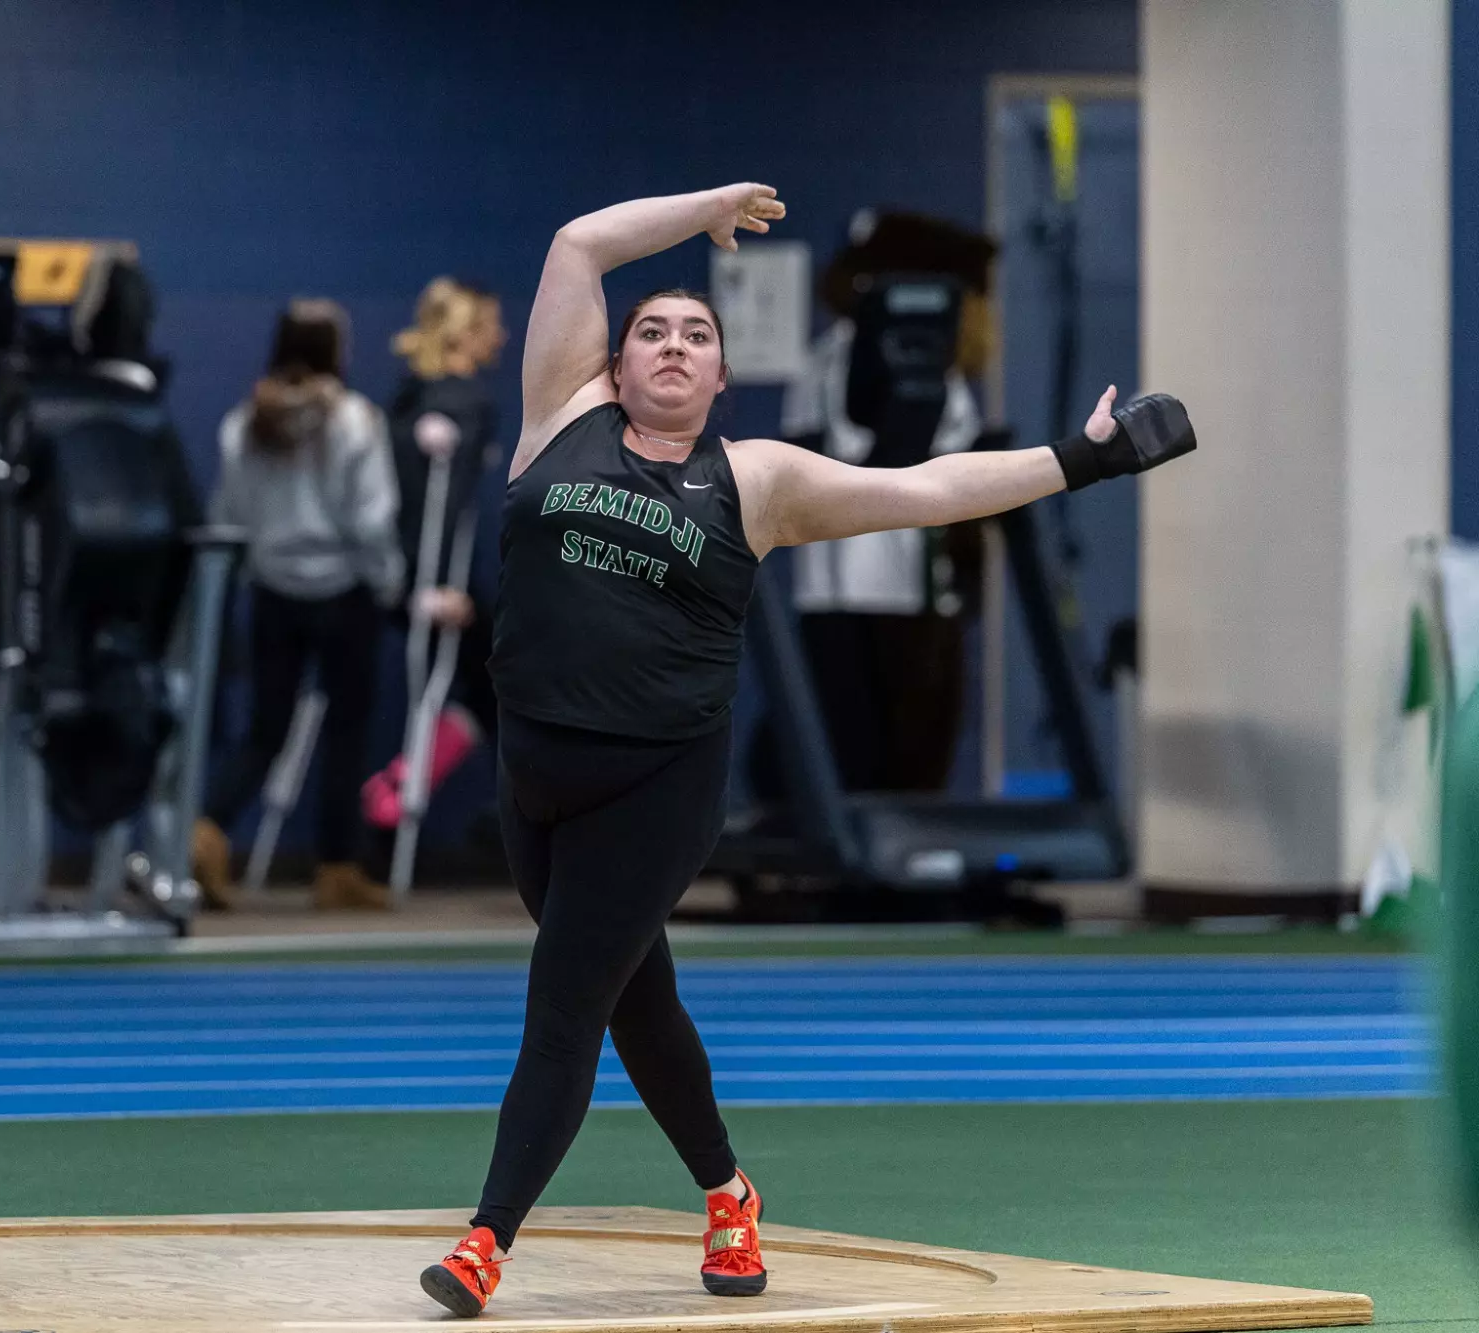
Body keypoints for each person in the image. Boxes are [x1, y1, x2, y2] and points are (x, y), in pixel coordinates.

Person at [418, 184, 1194, 1317]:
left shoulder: (756, 480)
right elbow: (577, 240)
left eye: (696, 336)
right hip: (534, 770)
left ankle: (486, 1239)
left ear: (721, 378)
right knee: (637, 1005)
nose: (673, 346)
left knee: (564, 1001)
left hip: (656, 780)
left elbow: (925, 489)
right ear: (613, 364)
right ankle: (729, 1193)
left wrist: (1079, 461)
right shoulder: (555, 417)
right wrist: (705, 213)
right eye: (651, 332)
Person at [191, 299, 406, 912]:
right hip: (345, 594)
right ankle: (337, 868)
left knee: (265, 729)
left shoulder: (243, 423)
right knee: (346, 733)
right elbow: (372, 519)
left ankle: (204, 834)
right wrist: (387, 581)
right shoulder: (355, 422)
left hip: (272, 595)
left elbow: (227, 516)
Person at [774, 211, 997, 792]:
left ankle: (911, 866)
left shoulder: (936, 373)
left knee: (923, 738)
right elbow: (829, 459)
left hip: (919, 588)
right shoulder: (830, 362)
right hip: (845, 592)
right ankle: (865, 868)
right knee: (857, 744)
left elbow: (959, 464)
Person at [361, 277, 510, 829]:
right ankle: (398, 789)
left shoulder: (407, 396)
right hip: (433, 575)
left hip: (389, 570)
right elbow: (440, 508)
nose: (502, 336)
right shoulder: (467, 403)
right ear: (465, 332)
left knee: (490, 685)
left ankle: (399, 787)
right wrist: (437, 588)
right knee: (509, 677)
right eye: (491, 325)